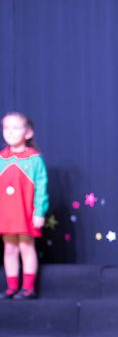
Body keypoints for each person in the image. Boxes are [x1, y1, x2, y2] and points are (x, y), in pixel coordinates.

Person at [0, 112, 48, 300]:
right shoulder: (2, 157)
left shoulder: (34, 159)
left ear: (28, 133)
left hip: (26, 212)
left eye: (15, 128)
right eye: (6, 128)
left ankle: (28, 288)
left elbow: (41, 188)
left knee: (26, 247)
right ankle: (12, 287)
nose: (10, 132)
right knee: (9, 249)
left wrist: (39, 212)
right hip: (6, 213)